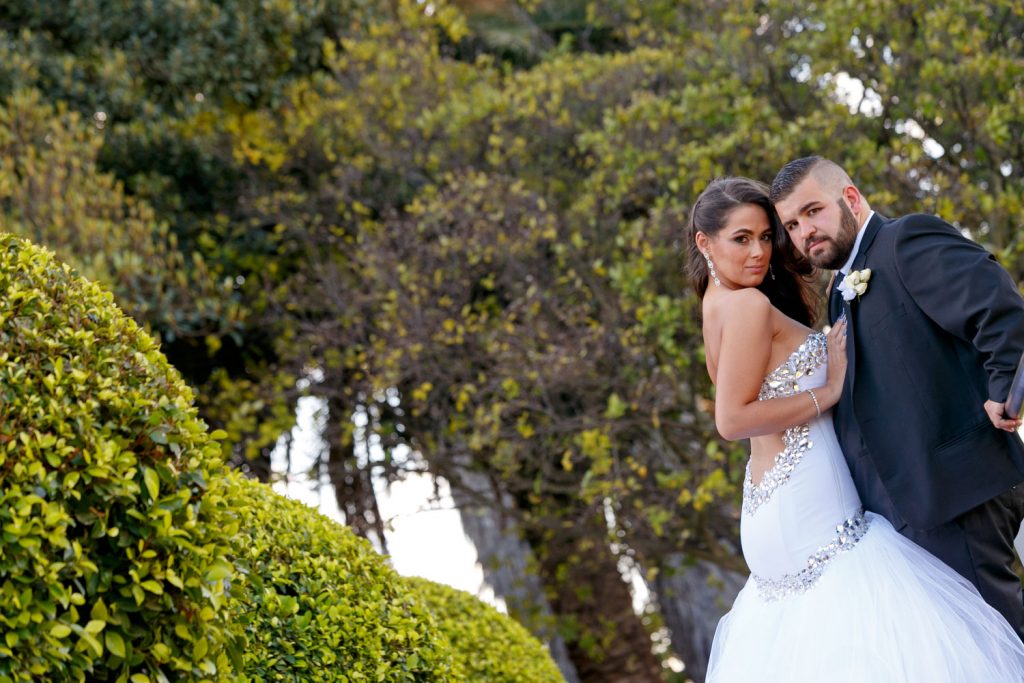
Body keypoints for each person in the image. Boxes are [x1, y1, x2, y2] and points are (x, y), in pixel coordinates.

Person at [691, 177, 1024, 681]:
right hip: (811, 503)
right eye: (743, 238)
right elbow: (732, 418)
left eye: (766, 236)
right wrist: (825, 392)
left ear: (848, 198)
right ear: (704, 242)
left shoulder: (717, 305)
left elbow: (992, 310)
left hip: (786, 502)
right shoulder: (747, 305)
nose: (760, 250)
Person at [771, 156, 1024, 639]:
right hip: (909, 513)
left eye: (813, 211)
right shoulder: (839, 292)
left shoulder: (905, 240)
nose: (805, 231)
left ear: (849, 198)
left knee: (1001, 642)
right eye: (793, 225)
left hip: (958, 493)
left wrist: (1003, 391)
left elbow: (999, 308)